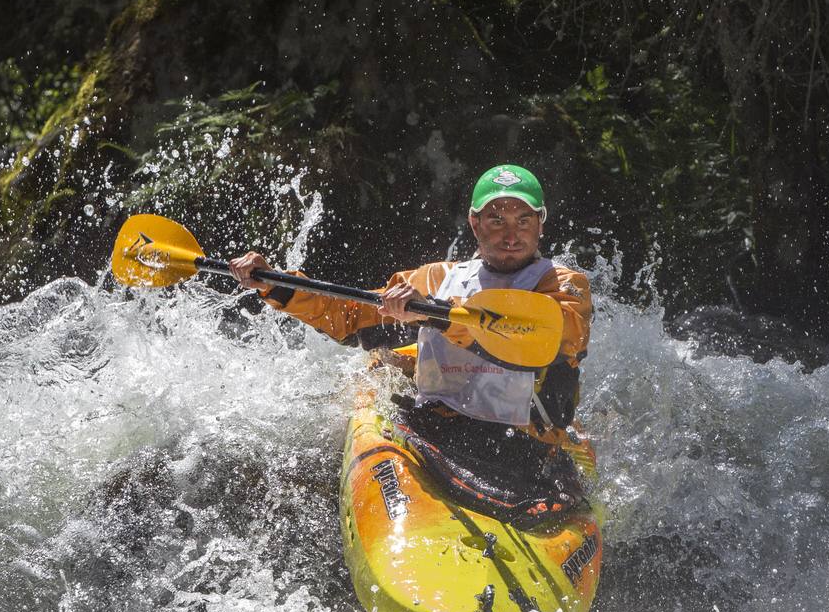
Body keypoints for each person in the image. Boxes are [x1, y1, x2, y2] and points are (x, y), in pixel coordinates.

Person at [229, 164, 592, 431]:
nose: (511, 235)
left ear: (541, 223)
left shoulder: (561, 284)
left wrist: (435, 314)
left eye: (523, 220)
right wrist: (275, 284)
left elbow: (562, 334)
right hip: (439, 428)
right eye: (497, 221)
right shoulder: (436, 278)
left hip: (526, 441)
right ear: (474, 223)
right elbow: (350, 316)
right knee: (383, 363)